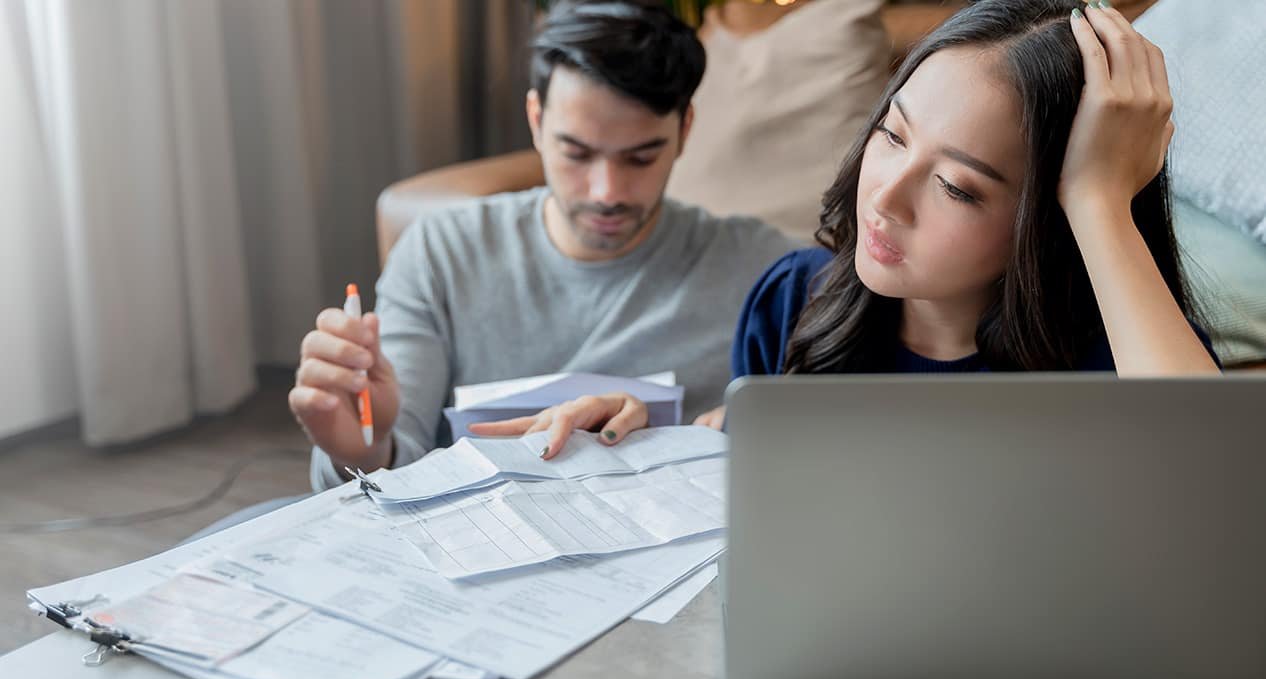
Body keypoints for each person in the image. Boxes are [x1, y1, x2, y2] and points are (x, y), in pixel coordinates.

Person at [473, 0, 1222, 458]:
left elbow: (1218, 494)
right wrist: (654, 443)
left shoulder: (1115, 351)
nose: (885, 200)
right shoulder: (794, 301)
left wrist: (1097, 198)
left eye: (957, 187)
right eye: (892, 136)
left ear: (1047, 216)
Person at [289, 0, 797, 490]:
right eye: (576, 153)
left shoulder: (764, 270)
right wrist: (360, 451)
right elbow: (392, 466)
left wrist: (767, 431)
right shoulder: (443, 253)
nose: (607, 193)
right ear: (536, 121)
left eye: (641, 158)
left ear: (684, 131)